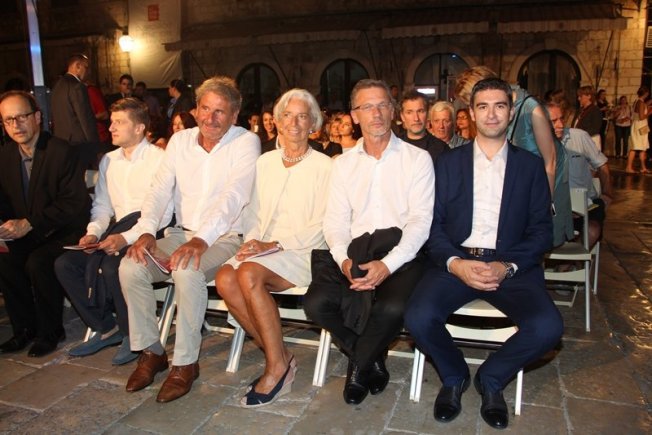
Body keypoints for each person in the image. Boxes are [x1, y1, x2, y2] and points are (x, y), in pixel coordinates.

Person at [405, 78, 563, 430]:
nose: (491, 114)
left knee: (548, 327)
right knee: (417, 316)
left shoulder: (530, 166)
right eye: (483, 106)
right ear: (472, 114)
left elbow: (542, 231)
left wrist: (507, 266)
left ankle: (492, 378)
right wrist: (456, 264)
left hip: (510, 265)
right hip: (458, 260)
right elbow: (432, 225)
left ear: (511, 112)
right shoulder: (447, 163)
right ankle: (454, 375)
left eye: (499, 106)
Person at [119, 76, 259, 403]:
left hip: (224, 237)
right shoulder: (180, 141)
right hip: (180, 233)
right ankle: (152, 352)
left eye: (220, 111)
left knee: (186, 268)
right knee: (130, 266)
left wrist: (202, 240)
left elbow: (234, 197)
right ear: (195, 110)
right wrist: (146, 231)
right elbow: (159, 190)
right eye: (205, 109)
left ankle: (185, 363)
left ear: (234, 115)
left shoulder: (245, 142)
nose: (211, 118)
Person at [304, 79, 434, 406]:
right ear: (354, 115)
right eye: (366, 107)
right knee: (316, 304)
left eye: (382, 105)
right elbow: (335, 222)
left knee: (392, 307)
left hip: (402, 252)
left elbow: (420, 222)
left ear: (392, 111)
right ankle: (371, 358)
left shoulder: (417, 159)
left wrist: (387, 265)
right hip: (355, 251)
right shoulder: (343, 164)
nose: (375, 113)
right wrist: (344, 261)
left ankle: (357, 365)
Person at [215, 89, 332, 407]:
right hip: (263, 250)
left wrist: (275, 244)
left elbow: (325, 224)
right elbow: (252, 212)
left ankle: (276, 367)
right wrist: (252, 242)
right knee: (225, 277)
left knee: (248, 274)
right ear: (277, 121)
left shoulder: (326, 167)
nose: (294, 123)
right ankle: (280, 354)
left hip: (303, 250)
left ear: (313, 124)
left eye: (302, 116)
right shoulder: (264, 163)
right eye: (287, 116)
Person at [54, 98, 173, 365]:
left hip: (150, 233)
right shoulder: (109, 160)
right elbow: (102, 206)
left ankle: (133, 334)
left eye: (119, 122)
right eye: (111, 122)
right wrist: (93, 233)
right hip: (116, 231)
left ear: (139, 127)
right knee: (65, 264)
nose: (111, 128)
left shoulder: (159, 159)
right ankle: (106, 327)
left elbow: (163, 215)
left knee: (113, 266)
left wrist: (125, 239)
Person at [0, 90, 91, 357]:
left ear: (37, 117)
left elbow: (73, 203)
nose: (16, 125)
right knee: (4, 259)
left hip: (64, 229)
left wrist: (29, 223)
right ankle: (24, 329)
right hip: (29, 231)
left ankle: (51, 331)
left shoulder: (62, 151)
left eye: (22, 117)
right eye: (8, 120)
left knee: (38, 262)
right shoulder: (5, 155)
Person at [547, 101, 613, 248]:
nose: (560, 124)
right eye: (554, 121)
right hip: (554, 208)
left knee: (592, 230)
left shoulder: (579, 137)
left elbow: (602, 164)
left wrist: (607, 193)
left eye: (562, 118)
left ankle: (572, 259)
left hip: (587, 204)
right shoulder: (534, 144)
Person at [50, 53, 99, 169]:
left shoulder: (57, 87)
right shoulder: (77, 86)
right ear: (78, 66)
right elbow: (85, 119)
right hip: (79, 145)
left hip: (62, 143)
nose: (88, 72)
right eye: (86, 67)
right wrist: (96, 148)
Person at [397, 89, 447, 162]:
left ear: (427, 114)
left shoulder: (441, 149)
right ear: (402, 116)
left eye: (420, 111)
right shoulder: (393, 146)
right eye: (409, 112)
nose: (416, 118)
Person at [625, 86, 650, 174]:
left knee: (643, 147)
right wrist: (650, 112)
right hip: (640, 126)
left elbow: (645, 105)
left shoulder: (638, 101)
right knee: (635, 147)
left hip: (641, 126)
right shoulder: (640, 103)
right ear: (646, 94)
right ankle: (628, 167)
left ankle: (643, 167)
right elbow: (642, 116)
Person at [573, 85, 603, 149]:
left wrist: (580, 135)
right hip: (579, 141)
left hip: (590, 141)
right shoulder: (580, 110)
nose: (579, 99)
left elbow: (595, 129)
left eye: (581, 96)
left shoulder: (595, 110)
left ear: (589, 96)